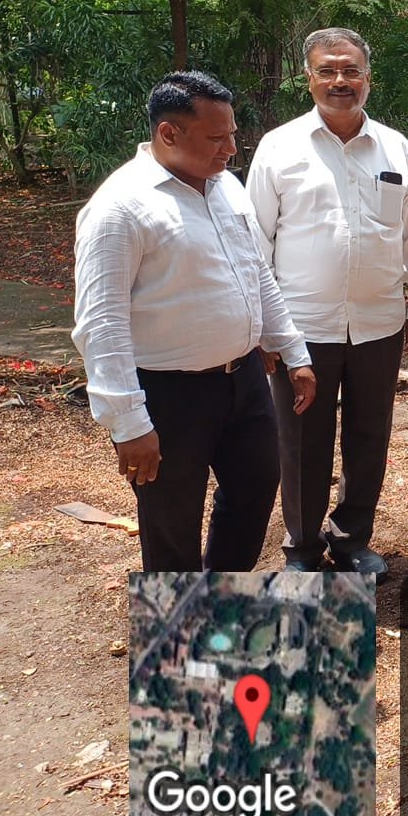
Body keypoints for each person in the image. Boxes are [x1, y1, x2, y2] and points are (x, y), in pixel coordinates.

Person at [72, 71, 316, 572]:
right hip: (168, 395)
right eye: (216, 137)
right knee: (171, 523)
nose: (231, 149)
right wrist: (128, 423)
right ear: (169, 133)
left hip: (244, 380)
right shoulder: (120, 209)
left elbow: (256, 272)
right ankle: (178, 620)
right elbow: (102, 323)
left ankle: (217, 599)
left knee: (254, 488)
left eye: (232, 134)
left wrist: (293, 351)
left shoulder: (226, 187)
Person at [247, 27, 408, 574]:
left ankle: (352, 539)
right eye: (327, 71)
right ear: (308, 79)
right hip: (301, 328)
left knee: (369, 435)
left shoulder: (395, 147)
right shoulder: (279, 147)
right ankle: (303, 546)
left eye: (351, 71)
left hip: (380, 322)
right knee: (302, 440)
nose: (340, 81)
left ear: (368, 78)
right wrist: (265, 328)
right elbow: (255, 243)